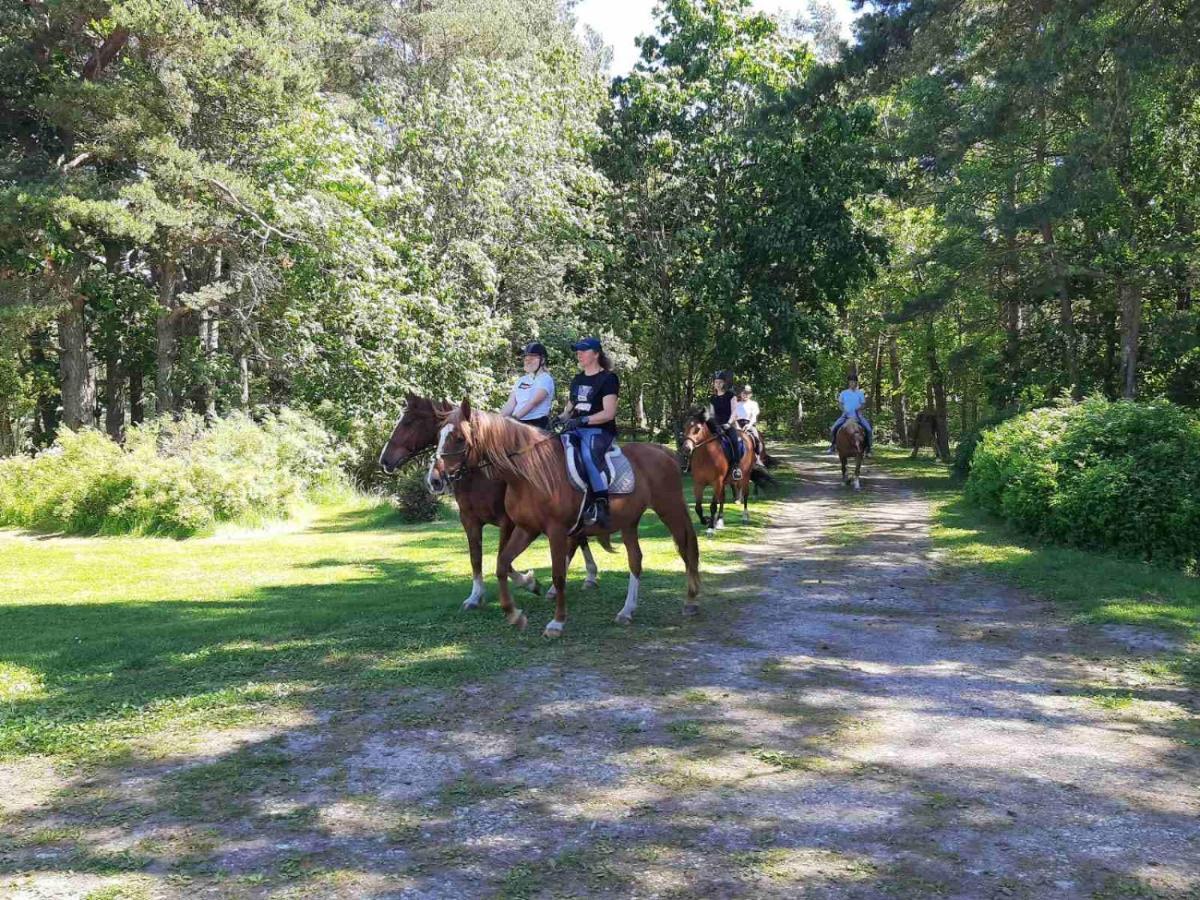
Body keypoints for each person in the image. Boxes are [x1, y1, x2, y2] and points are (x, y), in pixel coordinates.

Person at [558, 337, 619, 529]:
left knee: (587, 455)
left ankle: (601, 503)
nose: (579, 354)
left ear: (596, 354)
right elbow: (569, 408)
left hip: (599, 430)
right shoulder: (577, 379)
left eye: (583, 351)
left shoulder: (609, 378)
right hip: (576, 428)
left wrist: (583, 419)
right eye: (577, 351)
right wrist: (559, 418)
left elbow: (609, 413)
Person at [499, 341, 555, 430]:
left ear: (542, 360)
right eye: (526, 358)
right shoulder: (521, 380)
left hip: (536, 424)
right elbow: (511, 403)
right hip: (517, 423)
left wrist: (512, 420)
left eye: (532, 358)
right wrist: (498, 420)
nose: (527, 361)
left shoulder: (546, 379)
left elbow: (533, 403)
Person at [706, 370, 745, 482]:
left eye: (720, 382)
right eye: (716, 382)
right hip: (716, 425)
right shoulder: (712, 398)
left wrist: (729, 423)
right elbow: (712, 413)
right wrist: (712, 424)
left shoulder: (730, 396)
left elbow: (734, 412)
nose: (717, 384)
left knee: (734, 440)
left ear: (724, 383)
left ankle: (736, 467)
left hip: (728, 424)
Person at [829, 375, 873, 454]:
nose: (852, 383)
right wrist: (844, 410)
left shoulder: (860, 393)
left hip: (858, 416)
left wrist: (858, 408)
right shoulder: (843, 393)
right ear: (849, 383)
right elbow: (840, 404)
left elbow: (863, 404)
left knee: (869, 430)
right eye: (851, 382)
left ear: (856, 383)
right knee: (833, 428)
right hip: (845, 416)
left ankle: (868, 448)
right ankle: (833, 445)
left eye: (854, 382)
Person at [735, 384, 764, 460]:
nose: (745, 395)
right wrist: (737, 426)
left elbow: (754, 416)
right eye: (744, 393)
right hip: (736, 424)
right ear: (741, 393)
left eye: (747, 393)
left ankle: (757, 459)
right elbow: (733, 416)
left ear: (751, 394)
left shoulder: (754, 404)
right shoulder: (736, 404)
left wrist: (749, 425)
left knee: (756, 439)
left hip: (749, 424)